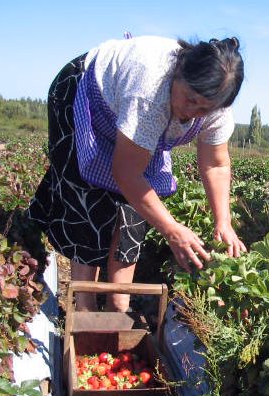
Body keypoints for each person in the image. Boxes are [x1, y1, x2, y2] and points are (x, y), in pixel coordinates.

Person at [28, 35, 247, 312]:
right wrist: (171, 230)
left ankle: (118, 303)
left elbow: (215, 164)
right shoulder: (149, 90)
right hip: (87, 98)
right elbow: (126, 172)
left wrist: (223, 221)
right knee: (88, 199)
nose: (192, 112)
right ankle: (83, 307)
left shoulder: (217, 108)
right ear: (178, 74)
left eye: (205, 109)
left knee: (135, 209)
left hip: (137, 124)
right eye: (190, 100)